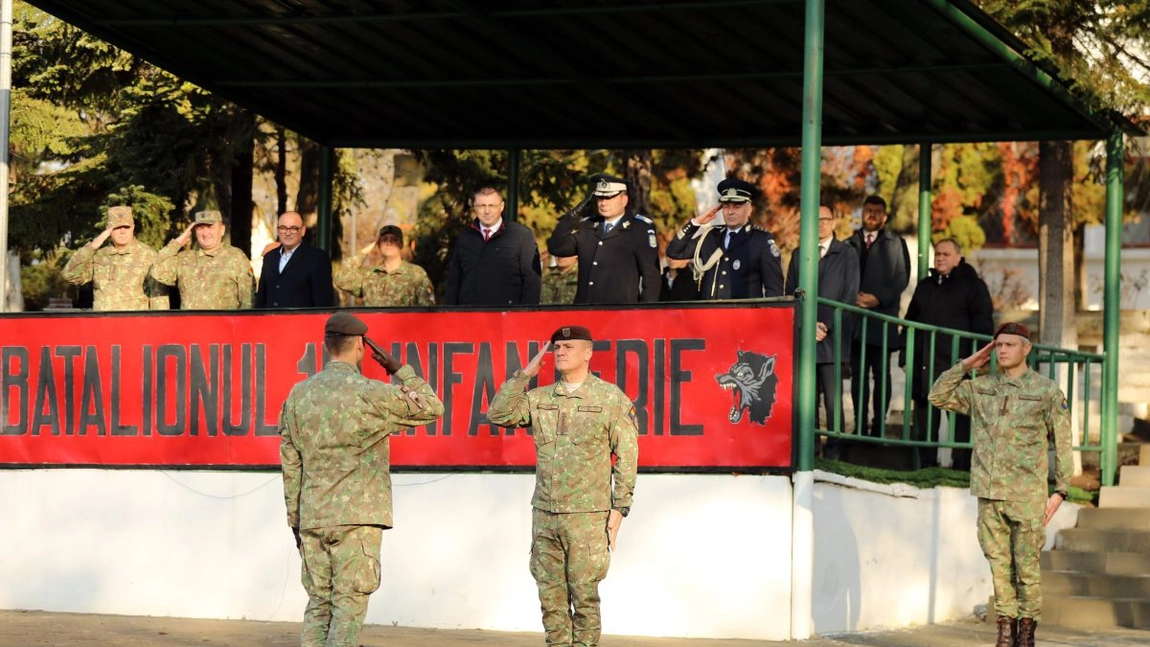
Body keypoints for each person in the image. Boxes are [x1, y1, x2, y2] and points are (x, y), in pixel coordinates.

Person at [279, 311, 445, 647]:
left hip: (313, 517)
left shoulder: (298, 395)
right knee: (348, 605)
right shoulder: (372, 393)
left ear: (326, 346)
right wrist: (400, 370)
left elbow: (290, 461)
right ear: (359, 345)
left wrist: (296, 521)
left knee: (318, 604)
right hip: (357, 518)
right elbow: (432, 407)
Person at [487, 325, 639, 647]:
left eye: (569, 347)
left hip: (586, 516)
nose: (560, 352)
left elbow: (627, 454)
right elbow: (498, 414)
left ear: (588, 353)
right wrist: (524, 374)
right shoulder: (540, 398)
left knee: (585, 597)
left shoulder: (610, 398)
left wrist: (619, 507)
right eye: (557, 347)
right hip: (545, 513)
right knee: (550, 598)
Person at [928, 322, 1071, 647]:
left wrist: (1061, 489)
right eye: (999, 345)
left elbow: (1062, 442)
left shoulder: (1046, 391)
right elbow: (937, 396)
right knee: (998, 565)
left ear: (1026, 349)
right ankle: (1005, 634)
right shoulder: (982, 388)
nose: (1003, 350)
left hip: (1027, 496)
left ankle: (1026, 635)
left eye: (1009, 344)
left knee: (1026, 569)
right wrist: (966, 365)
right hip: (989, 494)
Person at [903, 238, 994, 468]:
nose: (940, 258)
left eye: (946, 254)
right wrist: (906, 357)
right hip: (925, 365)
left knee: (960, 423)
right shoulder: (926, 286)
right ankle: (925, 468)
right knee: (925, 421)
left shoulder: (973, 286)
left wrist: (975, 360)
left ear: (958, 257)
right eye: (938, 255)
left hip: (958, 367)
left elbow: (983, 325)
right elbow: (910, 322)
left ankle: (961, 469)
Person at [785, 206, 859, 450]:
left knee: (832, 400)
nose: (821, 224)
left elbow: (849, 298)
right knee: (807, 400)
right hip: (805, 337)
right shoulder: (799, 255)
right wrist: (807, 325)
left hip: (833, 338)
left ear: (834, 223)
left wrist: (825, 326)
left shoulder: (847, 254)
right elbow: (791, 294)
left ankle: (835, 452)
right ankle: (811, 450)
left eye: (826, 219)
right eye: (816, 220)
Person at [844, 196, 910, 437]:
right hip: (855, 323)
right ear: (862, 213)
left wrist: (877, 299)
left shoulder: (895, 243)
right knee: (858, 377)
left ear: (884, 216)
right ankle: (860, 425)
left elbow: (901, 277)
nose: (872, 214)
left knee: (882, 375)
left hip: (882, 321)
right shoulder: (850, 242)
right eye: (868, 210)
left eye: (877, 211)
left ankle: (877, 427)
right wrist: (854, 298)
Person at [546, 174, 660, 304]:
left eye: (609, 197)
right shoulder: (588, 226)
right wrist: (573, 215)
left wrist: (644, 313)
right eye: (600, 197)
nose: (603, 203)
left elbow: (651, 277)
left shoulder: (639, 228)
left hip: (620, 313)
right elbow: (556, 247)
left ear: (624, 200)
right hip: (586, 311)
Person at [665, 178, 784, 300]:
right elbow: (674, 252)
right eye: (726, 207)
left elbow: (775, 291)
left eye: (737, 206)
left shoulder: (761, 241)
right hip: (709, 316)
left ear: (749, 210)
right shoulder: (710, 236)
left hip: (743, 317)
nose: (730, 212)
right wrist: (696, 223)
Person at [445, 187, 541, 306]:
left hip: (507, 317)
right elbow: (454, 282)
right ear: (475, 207)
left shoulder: (521, 236)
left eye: (492, 206)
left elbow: (532, 282)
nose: (487, 211)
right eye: (482, 206)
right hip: (469, 317)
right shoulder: (465, 237)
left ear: (501, 207)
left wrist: (525, 316)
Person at [61, 205, 169, 311]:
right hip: (104, 323)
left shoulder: (148, 255)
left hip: (135, 324)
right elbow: (70, 276)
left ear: (133, 227)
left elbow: (158, 296)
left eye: (127, 227)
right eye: (117, 227)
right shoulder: (99, 256)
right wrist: (92, 246)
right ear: (108, 230)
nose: (123, 231)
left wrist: (159, 325)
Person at [150, 210, 254, 309]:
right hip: (190, 325)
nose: (205, 233)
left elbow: (248, 301)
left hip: (223, 326)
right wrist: (177, 243)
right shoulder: (184, 259)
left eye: (210, 227)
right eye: (200, 228)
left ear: (222, 230)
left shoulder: (236, 257)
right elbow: (157, 271)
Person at [334, 225, 435, 307]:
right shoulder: (369, 274)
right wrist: (366, 250)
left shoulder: (416, 273)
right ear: (378, 244)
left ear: (401, 244)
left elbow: (428, 309)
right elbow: (341, 280)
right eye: (384, 239)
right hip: (374, 330)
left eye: (394, 239)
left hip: (404, 330)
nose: (389, 243)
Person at [255, 211, 334, 308]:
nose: (288, 233)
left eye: (293, 228)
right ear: (278, 230)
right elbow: (261, 298)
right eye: (283, 228)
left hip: (301, 322)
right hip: (270, 321)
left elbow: (323, 303)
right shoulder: (269, 257)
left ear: (303, 231)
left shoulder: (317, 258)